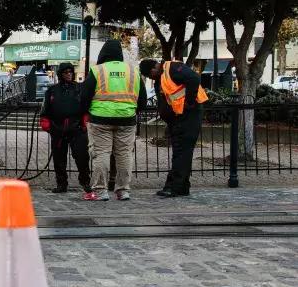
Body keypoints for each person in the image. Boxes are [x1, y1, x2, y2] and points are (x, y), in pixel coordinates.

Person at [80, 40, 147, 201]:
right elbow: (143, 100)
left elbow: (84, 97)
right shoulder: (133, 71)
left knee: (101, 154)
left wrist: (86, 113)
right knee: (124, 155)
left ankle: (101, 191)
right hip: (126, 120)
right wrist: (131, 111)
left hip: (100, 119)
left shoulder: (97, 71)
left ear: (103, 54)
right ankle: (123, 191)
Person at [140, 59, 208, 197]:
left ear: (154, 68)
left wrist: (189, 103)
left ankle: (175, 187)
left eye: (149, 75)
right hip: (180, 117)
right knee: (182, 152)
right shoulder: (163, 76)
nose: (151, 78)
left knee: (181, 152)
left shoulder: (173, 68)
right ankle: (180, 186)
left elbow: (194, 78)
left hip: (189, 115)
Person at [39, 62, 90, 194]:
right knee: (59, 159)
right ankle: (61, 184)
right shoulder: (52, 90)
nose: (69, 74)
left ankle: (85, 181)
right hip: (57, 129)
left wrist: (85, 123)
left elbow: (86, 107)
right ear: (61, 74)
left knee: (82, 157)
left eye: (70, 72)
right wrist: (46, 124)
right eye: (65, 72)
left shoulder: (80, 88)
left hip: (77, 128)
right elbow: (45, 109)